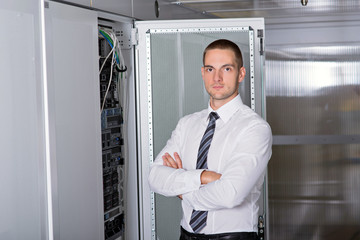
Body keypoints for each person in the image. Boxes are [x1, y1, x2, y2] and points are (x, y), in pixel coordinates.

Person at [148, 39, 272, 240]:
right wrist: (203, 177)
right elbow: (155, 176)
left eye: (227, 69)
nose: (217, 77)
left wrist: (181, 190)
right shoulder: (187, 124)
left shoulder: (254, 129)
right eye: (210, 69)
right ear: (202, 73)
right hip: (185, 236)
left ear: (241, 74)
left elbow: (230, 194)